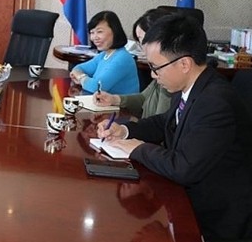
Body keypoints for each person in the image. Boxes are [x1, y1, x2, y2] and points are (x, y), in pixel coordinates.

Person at [98, 14, 252, 241]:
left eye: (156, 67)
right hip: (193, 202)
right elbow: (165, 123)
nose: (152, 75)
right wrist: (126, 130)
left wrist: (137, 148)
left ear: (184, 63)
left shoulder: (215, 102)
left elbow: (183, 167)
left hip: (219, 222)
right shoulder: (191, 86)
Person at [94, 8, 173, 118]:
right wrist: (114, 99)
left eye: (142, 40)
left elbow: (160, 124)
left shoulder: (171, 77)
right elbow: (143, 98)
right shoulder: (159, 70)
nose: (141, 47)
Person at [70, 10, 139, 95]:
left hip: (121, 107)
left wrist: (81, 78)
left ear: (115, 31)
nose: (95, 37)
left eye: (100, 32)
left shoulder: (122, 58)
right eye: (92, 32)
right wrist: (84, 79)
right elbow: (78, 68)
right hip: (104, 105)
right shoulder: (104, 55)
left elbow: (96, 87)